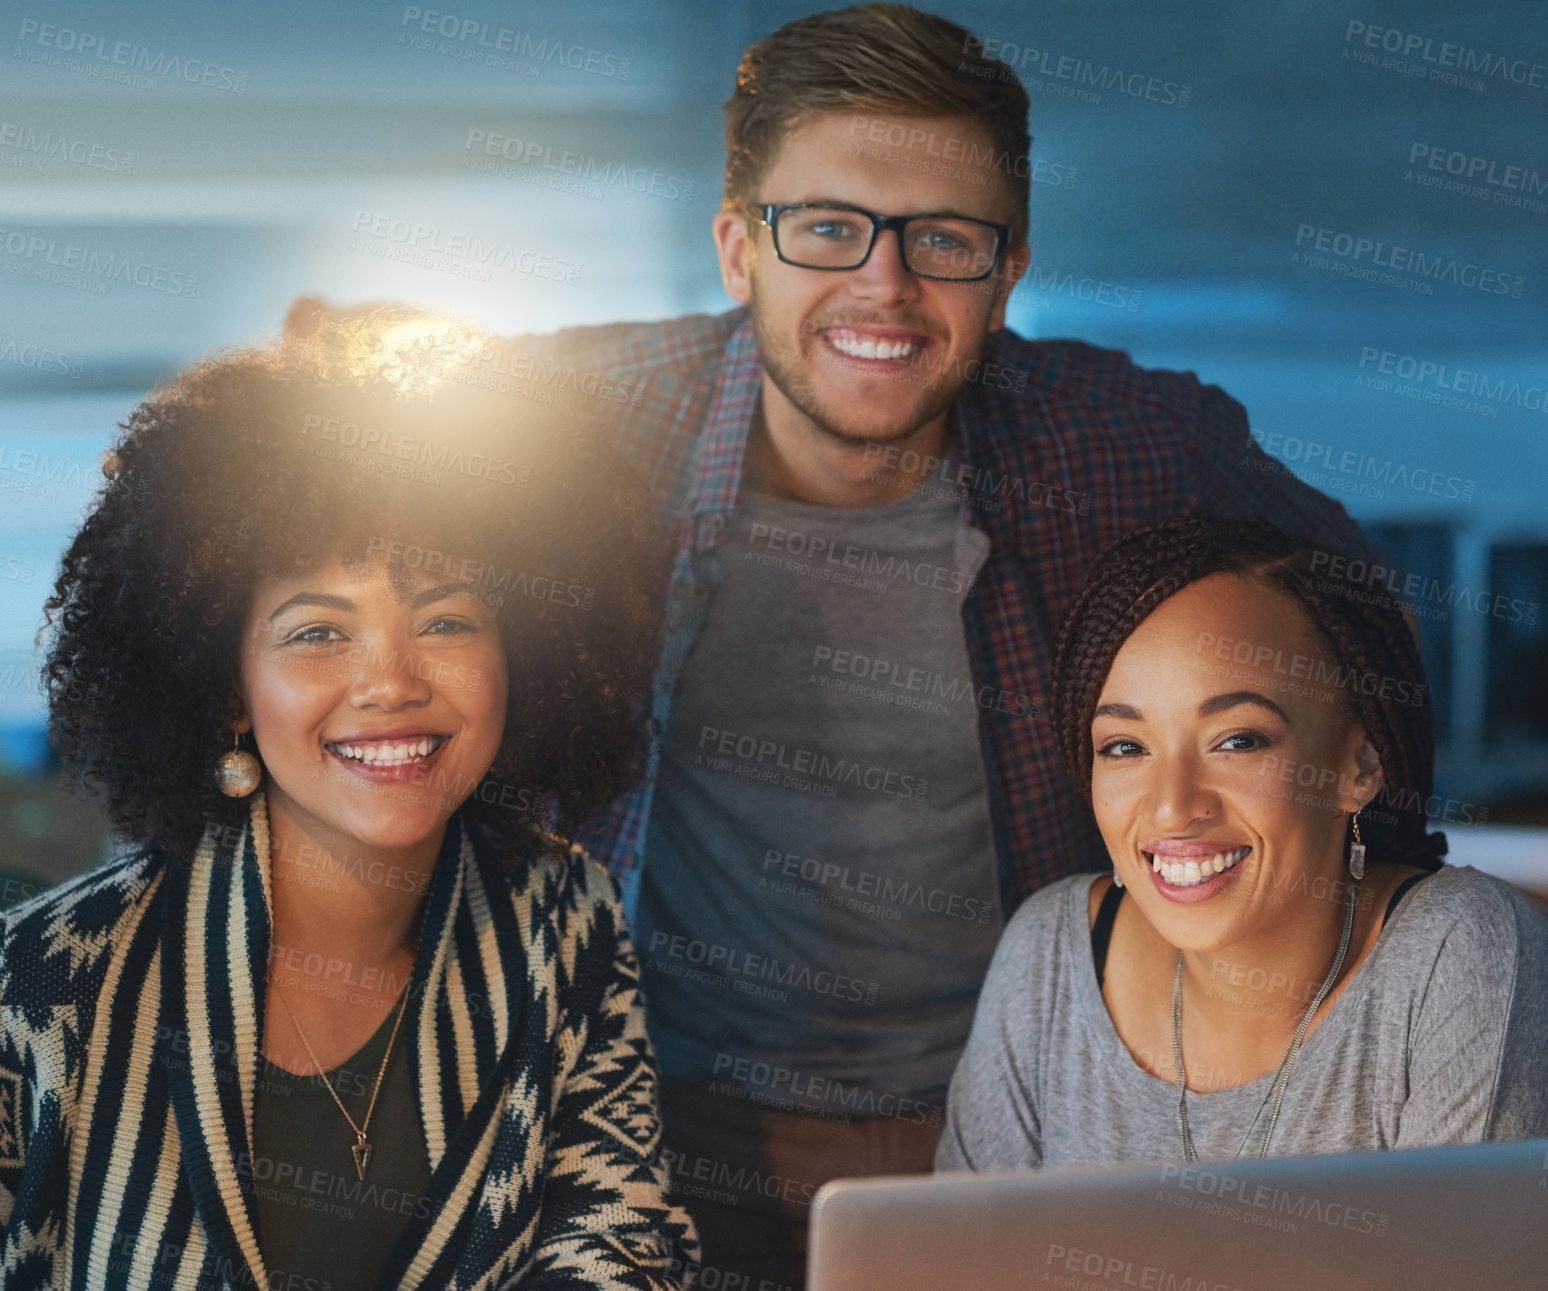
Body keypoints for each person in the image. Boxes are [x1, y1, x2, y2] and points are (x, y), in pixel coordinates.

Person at [292, 7, 1380, 1282]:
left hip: (1037, 1132)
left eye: (945, 239)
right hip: (644, 1131)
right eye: (826, 228)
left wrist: (1349, 951)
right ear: (736, 249)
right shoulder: (579, 428)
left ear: (1009, 269)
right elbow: (304, 448)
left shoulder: (1130, 444)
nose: (884, 283)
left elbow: (1367, 641)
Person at [0, 312, 697, 1288]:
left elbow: (624, 1241)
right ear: (227, 689)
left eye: (447, 618)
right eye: (319, 632)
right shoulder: (41, 981)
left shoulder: (561, 916)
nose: (391, 682)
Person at [937, 513, 1548, 1170]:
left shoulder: (1455, 953)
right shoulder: (1049, 957)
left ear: (1360, 767)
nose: (1173, 805)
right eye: (1125, 746)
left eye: (1237, 740)